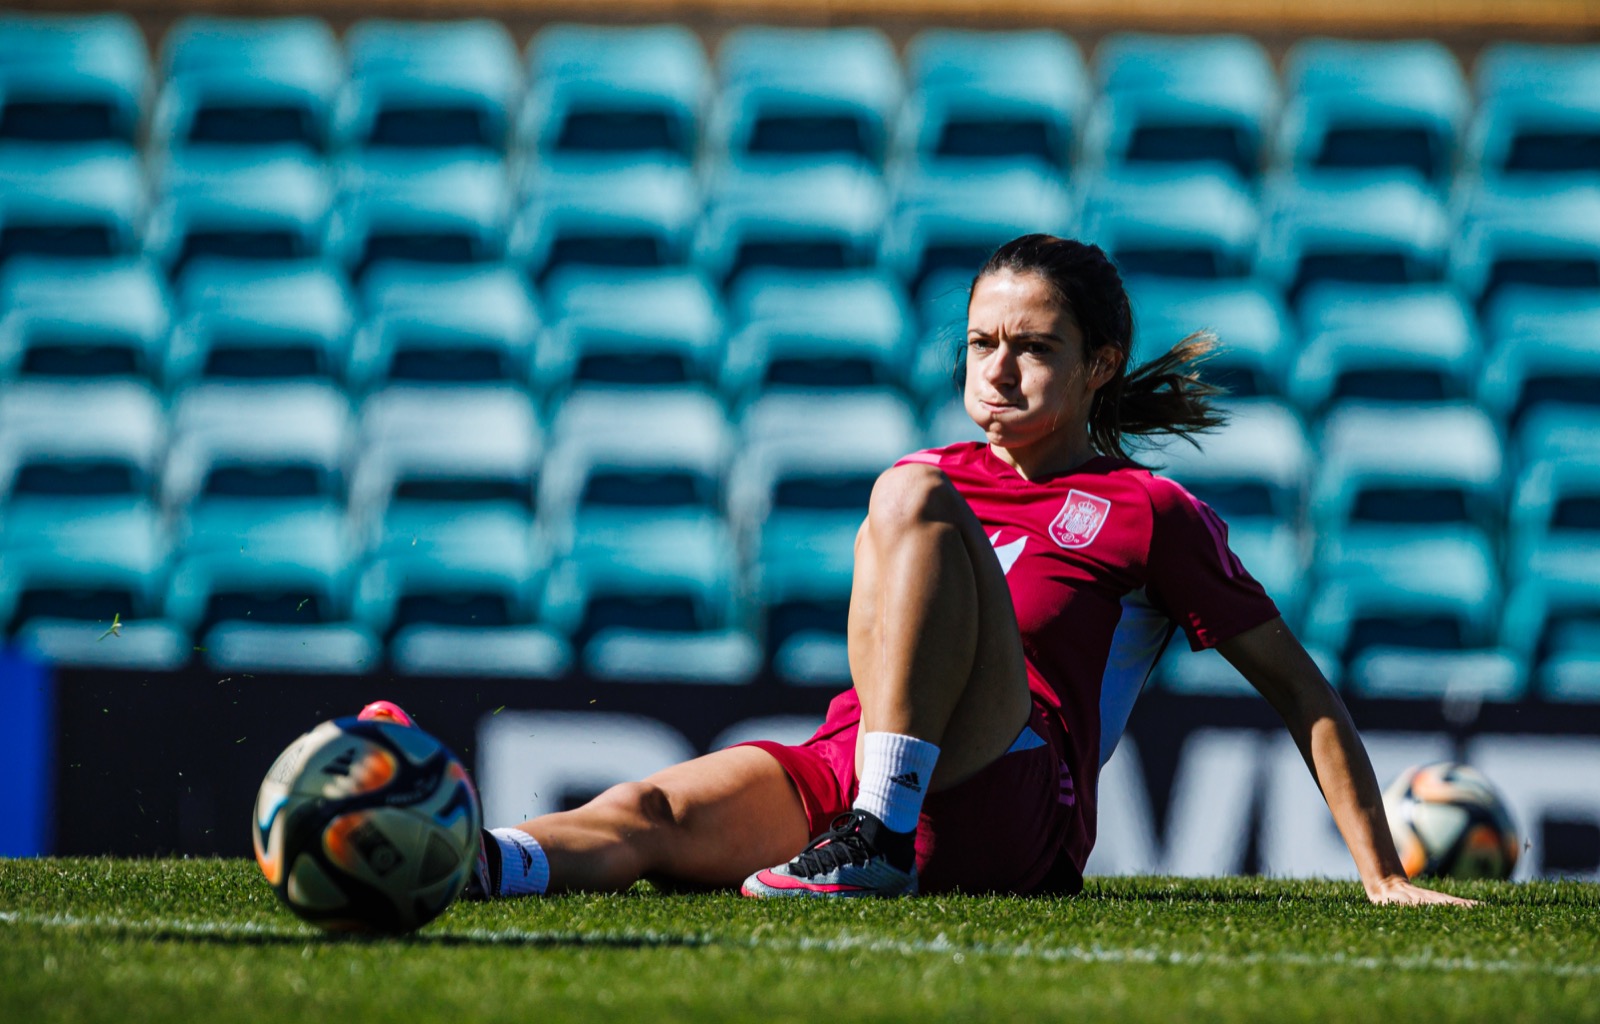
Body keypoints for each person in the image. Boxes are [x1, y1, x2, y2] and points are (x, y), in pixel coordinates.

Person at [371, 234, 1470, 906]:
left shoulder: (1147, 511)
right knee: (651, 808)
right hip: (854, 772)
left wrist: (1379, 872)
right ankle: (444, 852)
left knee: (905, 492)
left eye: (1032, 346)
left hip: (1014, 791)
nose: (998, 367)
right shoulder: (934, 470)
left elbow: (1300, 691)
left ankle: (879, 838)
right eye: (981, 341)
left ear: (1097, 367)